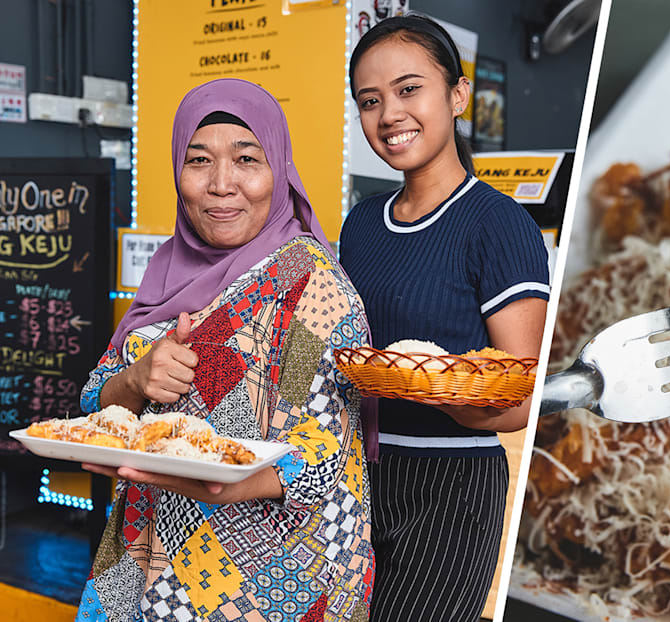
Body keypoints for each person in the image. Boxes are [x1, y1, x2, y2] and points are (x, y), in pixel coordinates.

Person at [76, 78, 374, 622]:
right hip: (141, 558)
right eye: (199, 161)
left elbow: (324, 453)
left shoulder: (309, 288)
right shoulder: (167, 269)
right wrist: (137, 379)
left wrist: (233, 481)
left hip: (267, 579)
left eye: (245, 159)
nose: (220, 184)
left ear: (278, 169)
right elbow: (97, 402)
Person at [339, 14, 550, 622]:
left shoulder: (498, 223)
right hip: (353, 477)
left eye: (410, 90)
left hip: (451, 486)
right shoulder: (361, 224)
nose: (389, 115)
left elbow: (519, 398)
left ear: (458, 95)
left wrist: (431, 385)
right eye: (370, 101)